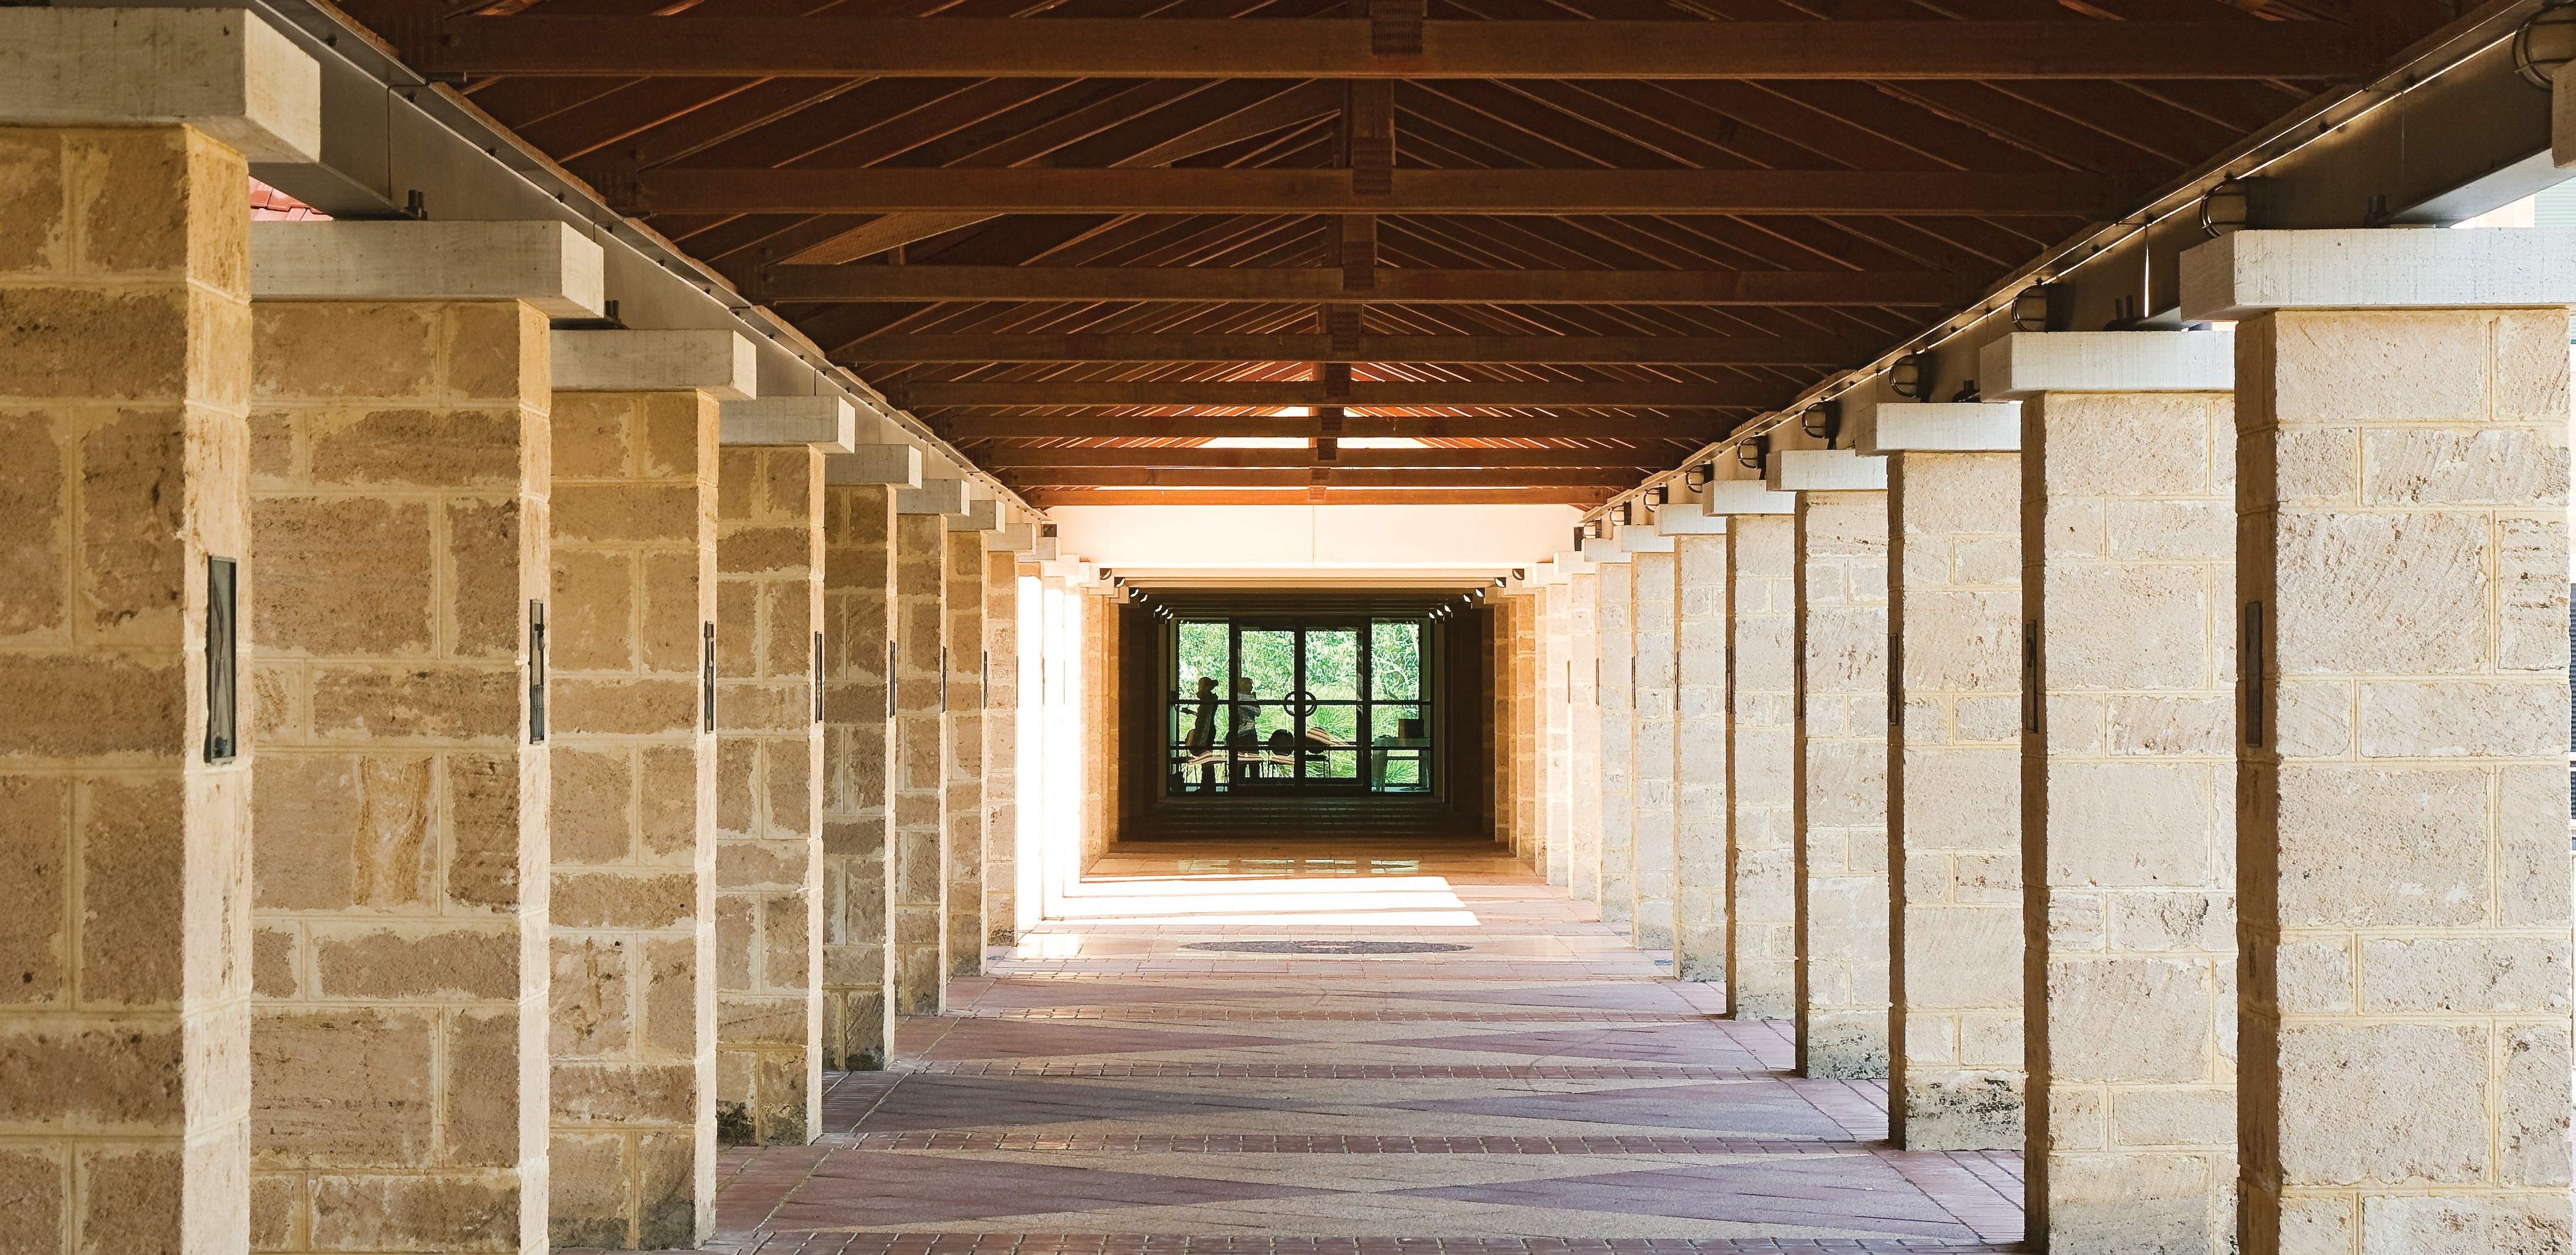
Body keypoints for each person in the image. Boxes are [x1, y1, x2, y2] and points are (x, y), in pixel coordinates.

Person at [1183, 676, 1219, 791]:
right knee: (1207, 758)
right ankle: (1208, 785)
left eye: (1200, 686)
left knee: (1206, 758)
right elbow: (1203, 715)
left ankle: (1208, 786)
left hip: (1206, 731)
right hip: (1208, 730)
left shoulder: (1208, 698)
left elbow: (1204, 717)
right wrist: (1191, 712)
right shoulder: (1210, 699)